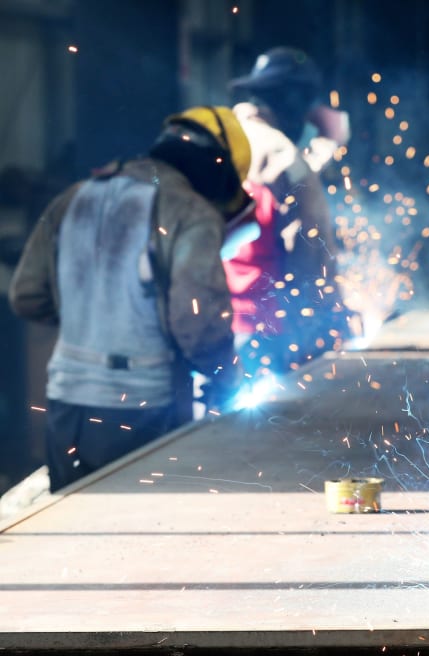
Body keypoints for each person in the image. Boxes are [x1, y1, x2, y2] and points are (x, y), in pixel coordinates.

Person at [8, 106, 250, 492]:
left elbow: (26, 296)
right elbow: (197, 325)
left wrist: (93, 316)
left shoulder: (75, 196)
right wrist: (227, 376)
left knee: (73, 531)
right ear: (217, 172)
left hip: (65, 404)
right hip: (143, 411)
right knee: (142, 538)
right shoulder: (191, 212)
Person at [227, 46, 352, 375]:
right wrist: (332, 318)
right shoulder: (279, 153)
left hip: (218, 321)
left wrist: (328, 144)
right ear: (295, 101)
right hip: (268, 327)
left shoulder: (226, 137)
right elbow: (311, 248)